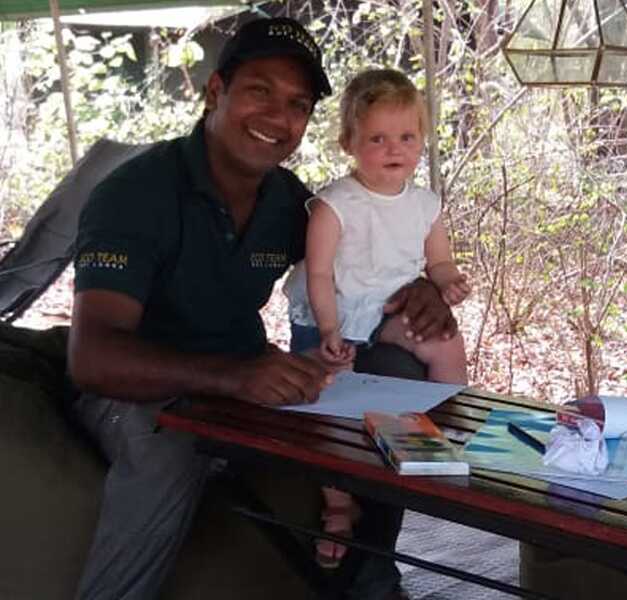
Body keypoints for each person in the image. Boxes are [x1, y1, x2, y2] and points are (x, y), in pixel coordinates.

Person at [66, 16, 455, 600]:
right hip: (134, 393)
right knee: (173, 446)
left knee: (391, 379)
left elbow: (363, 259)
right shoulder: (135, 194)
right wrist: (235, 375)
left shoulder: (287, 202)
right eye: (259, 91)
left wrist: (422, 285)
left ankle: (369, 578)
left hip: (244, 376)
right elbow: (93, 359)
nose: (278, 117)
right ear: (215, 91)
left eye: (298, 105)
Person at [281, 68, 470, 569]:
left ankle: (449, 426)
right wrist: (329, 331)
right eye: (377, 138)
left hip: (386, 307)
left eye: (407, 137)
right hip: (333, 311)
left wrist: (449, 281)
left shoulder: (425, 204)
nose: (394, 149)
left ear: (423, 140)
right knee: (326, 397)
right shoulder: (335, 204)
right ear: (350, 142)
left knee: (444, 341)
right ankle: (338, 504)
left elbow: (439, 261)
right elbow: (319, 273)